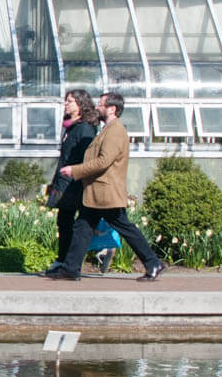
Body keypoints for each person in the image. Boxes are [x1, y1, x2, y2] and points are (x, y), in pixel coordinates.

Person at [50, 91, 165, 282]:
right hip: (98, 192)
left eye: (101, 105)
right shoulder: (107, 129)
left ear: (112, 109)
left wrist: (75, 171)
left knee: (125, 227)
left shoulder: (115, 131)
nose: (97, 107)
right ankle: (71, 268)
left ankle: (153, 262)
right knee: (82, 227)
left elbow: (104, 161)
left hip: (106, 192)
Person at [43, 90, 100, 275]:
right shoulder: (70, 128)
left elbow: (85, 158)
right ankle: (63, 260)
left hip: (74, 182)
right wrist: (54, 182)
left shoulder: (84, 129)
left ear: (81, 105)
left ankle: (66, 261)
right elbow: (64, 158)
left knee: (70, 222)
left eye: (70, 101)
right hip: (65, 180)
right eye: (66, 101)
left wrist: (74, 175)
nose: (66, 104)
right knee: (64, 221)